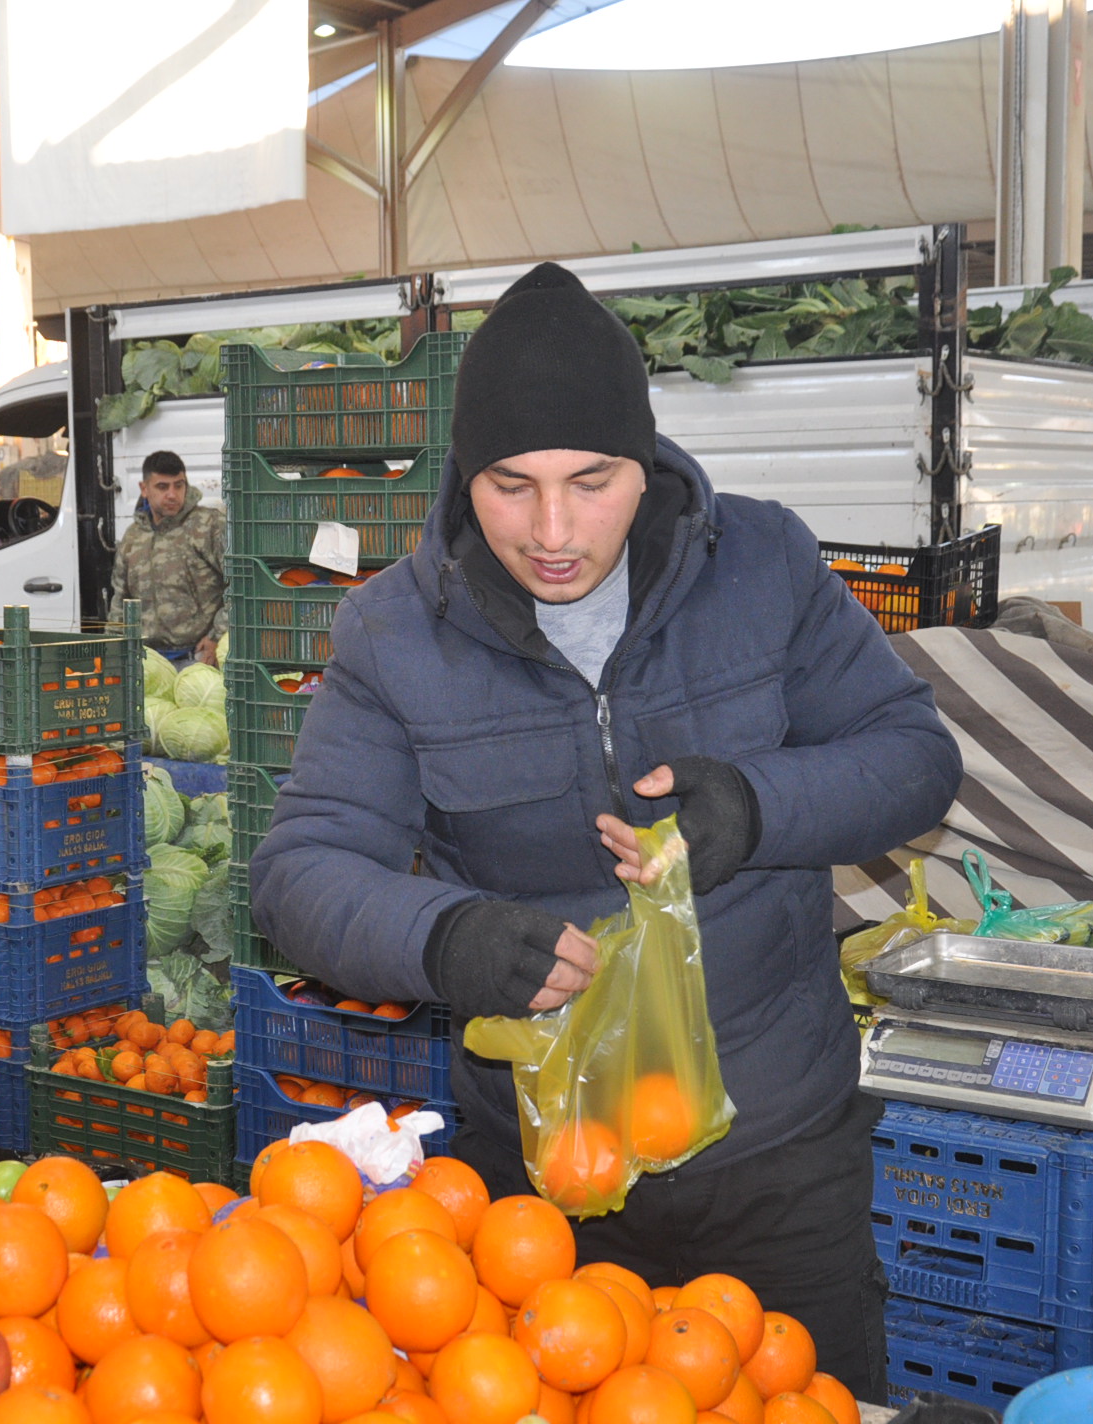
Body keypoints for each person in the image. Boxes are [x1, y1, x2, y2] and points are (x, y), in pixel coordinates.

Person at [249, 262, 963, 1403]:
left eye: (591, 481)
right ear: (461, 477)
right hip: (542, 1187)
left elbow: (914, 757)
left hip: (776, 1153)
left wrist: (756, 807)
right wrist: (445, 937)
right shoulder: (392, 631)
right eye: (508, 484)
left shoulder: (764, 565)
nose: (552, 530)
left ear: (647, 462)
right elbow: (299, 867)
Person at [108, 450, 224, 665]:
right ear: (144, 489)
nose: (172, 494)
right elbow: (119, 603)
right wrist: (112, 654)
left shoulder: (208, 526)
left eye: (178, 485)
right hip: (148, 661)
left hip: (199, 659)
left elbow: (242, 584)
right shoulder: (133, 537)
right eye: (162, 487)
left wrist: (217, 635)